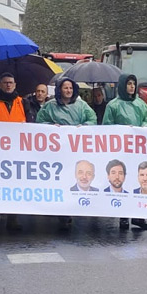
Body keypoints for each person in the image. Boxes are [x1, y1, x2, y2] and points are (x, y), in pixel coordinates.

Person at [36, 78, 96, 228]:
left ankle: (72, 207)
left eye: (70, 88)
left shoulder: (82, 106)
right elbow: (39, 122)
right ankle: (60, 210)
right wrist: (50, 127)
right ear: (59, 90)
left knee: (72, 177)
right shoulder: (50, 106)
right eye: (65, 88)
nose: (68, 90)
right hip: (56, 151)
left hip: (75, 150)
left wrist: (84, 126)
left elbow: (93, 119)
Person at [103, 73, 147, 228]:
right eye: (129, 83)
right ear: (123, 85)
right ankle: (123, 215)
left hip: (137, 150)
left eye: (133, 84)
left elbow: (145, 121)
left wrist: (141, 128)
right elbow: (107, 126)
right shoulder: (113, 105)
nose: (131, 87)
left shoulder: (141, 104)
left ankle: (138, 216)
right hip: (121, 151)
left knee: (138, 181)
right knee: (123, 182)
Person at [0, 72, 26, 231]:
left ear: (15, 84)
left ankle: (13, 217)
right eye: (5, 83)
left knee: (15, 184)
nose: (8, 85)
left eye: (11, 82)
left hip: (17, 151)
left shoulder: (23, 102)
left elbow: (31, 122)